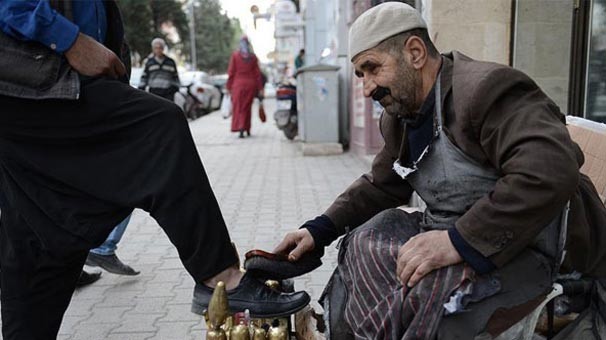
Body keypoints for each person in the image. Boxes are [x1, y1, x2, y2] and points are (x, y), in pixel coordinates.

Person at [274, 3, 606, 339]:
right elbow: (381, 185)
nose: (367, 87)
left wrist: (458, 242)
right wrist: (318, 231)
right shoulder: (398, 117)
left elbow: (550, 170)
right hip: (453, 231)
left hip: (528, 244)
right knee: (364, 244)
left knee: (432, 290)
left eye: (372, 69)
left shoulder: (488, 90)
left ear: (415, 53)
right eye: (361, 74)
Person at [0, 2, 309, 339]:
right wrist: (71, 41)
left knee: (40, 239)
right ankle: (220, 278)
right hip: (30, 85)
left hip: (51, 88)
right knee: (158, 128)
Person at [226, 36, 264, 138]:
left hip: (237, 85)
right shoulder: (253, 57)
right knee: (246, 108)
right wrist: (260, 88)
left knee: (238, 108)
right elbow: (257, 75)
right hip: (250, 85)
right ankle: (247, 128)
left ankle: (241, 127)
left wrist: (228, 87)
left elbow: (231, 72)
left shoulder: (235, 56)